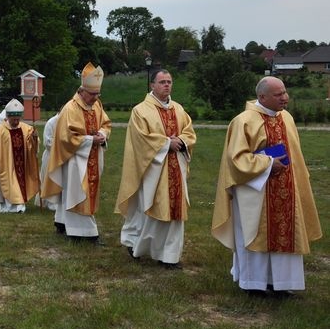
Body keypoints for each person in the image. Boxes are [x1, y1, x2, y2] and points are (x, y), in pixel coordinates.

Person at [212, 76, 322, 295]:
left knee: (286, 231)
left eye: (284, 92)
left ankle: (282, 284)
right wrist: (268, 163)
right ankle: (254, 283)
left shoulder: (287, 118)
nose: (285, 97)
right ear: (262, 96)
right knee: (254, 233)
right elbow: (236, 159)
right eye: (278, 94)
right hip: (254, 191)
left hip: (287, 189)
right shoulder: (243, 121)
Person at [115, 69, 196, 267]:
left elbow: (189, 132)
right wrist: (166, 143)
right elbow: (140, 139)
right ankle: (137, 244)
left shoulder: (178, 109)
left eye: (169, 82)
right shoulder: (141, 110)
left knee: (175, 214)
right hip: (152, 170)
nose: (166, 85)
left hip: (175, 167)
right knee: (151, 210)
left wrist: (182, 141)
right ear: (152, 85)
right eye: (162, 82)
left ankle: (169, 256)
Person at [41, 63, 111, 243]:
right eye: (92, 94)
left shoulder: (97, 106)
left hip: (93, 156)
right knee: (79, 193)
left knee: (75, 193)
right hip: (74, 159)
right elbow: (65, 137)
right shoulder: (70, 108)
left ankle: (62, 223)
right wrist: (90, 140)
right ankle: (85, 233)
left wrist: (102, 135)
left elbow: (105, 124)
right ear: (82, 90)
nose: (95, 98)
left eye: (98, 94)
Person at [0, 99, 40, 213]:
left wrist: (34, 137)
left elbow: (32, 147)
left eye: (18, 119)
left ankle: (20, 206)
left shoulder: (26, 128)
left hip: (22, 164)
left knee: (20, 184)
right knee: (8, 185)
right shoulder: (0, 130)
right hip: (6, 164)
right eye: (13, 119)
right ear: (8, 117)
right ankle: (8, 206)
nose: (16, 121)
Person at [35, 112, 59, 210]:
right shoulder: (51, 122)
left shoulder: (69, 121)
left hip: (64, 156)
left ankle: (59, 201)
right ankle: (49, 202)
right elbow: (47, 141)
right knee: (49, 179)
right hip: (51, 155)